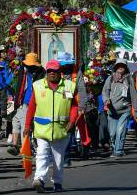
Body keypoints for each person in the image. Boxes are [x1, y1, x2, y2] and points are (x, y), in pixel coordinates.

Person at [25, 60, 78, 193]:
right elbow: (32, 107)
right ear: (46, 72)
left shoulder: (68, 86)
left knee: (58, 158)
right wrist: (27, 125)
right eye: (49, 71)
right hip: (42, 128)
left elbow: (74, 106)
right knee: (41, 153)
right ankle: (39, 179)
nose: (52, 73)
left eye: (55, 71)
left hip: (61, 129)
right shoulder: (38, 86)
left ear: (60, 72)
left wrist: (72, 121)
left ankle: (58, 182)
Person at [8, 52, 45, 156]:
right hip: (20, 101)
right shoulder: (22, 72)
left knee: (25, 125)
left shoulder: (41, 74)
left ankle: (25, 149)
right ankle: (17, 146)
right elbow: (17, 85)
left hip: (31, 102)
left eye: (31, 65)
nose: (29, 66)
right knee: (16, 121)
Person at [102, 58, 137, 158]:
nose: (120, 68)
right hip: (112, 111)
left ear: (125, 68)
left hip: (125, 110)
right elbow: (105, 91)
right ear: (116, 67)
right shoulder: (111, 78)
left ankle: (119, 150)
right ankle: (114, 148)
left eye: (123, 66)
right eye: (119, 66)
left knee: (120, 131)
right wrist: (106, 99)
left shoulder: (129, 78)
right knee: (112, 134)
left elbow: (134, 94)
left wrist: (136, 109)